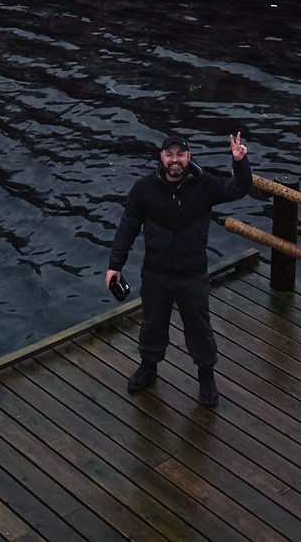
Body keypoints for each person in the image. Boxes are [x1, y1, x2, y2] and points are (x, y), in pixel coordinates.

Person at [105, 131, 251, 407]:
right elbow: (127, 227)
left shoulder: (204, 186)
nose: (175, 161)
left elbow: (238, 189)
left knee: (199, 327)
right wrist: (115, 266)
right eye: (169, 155)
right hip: (156, 272)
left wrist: (240, 162)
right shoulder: (143, 189)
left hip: (192, 273)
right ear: (161, 157)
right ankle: (148, 367)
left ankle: (206, 376)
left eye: (180, 155)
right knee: (152, 324)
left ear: (188, 157)